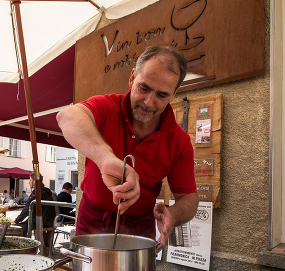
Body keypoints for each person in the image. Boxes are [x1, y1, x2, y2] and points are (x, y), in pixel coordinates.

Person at [57, 45, 198, 245]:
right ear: (132, 78)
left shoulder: (179, 141)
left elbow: (190, 199)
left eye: (161, 95)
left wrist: (173, 214)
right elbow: (67, 116)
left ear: (174, 94)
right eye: (144, 88)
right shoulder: (108, 107)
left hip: (140, 225)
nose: (149, 102)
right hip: (92, 218)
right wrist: (105, 158)